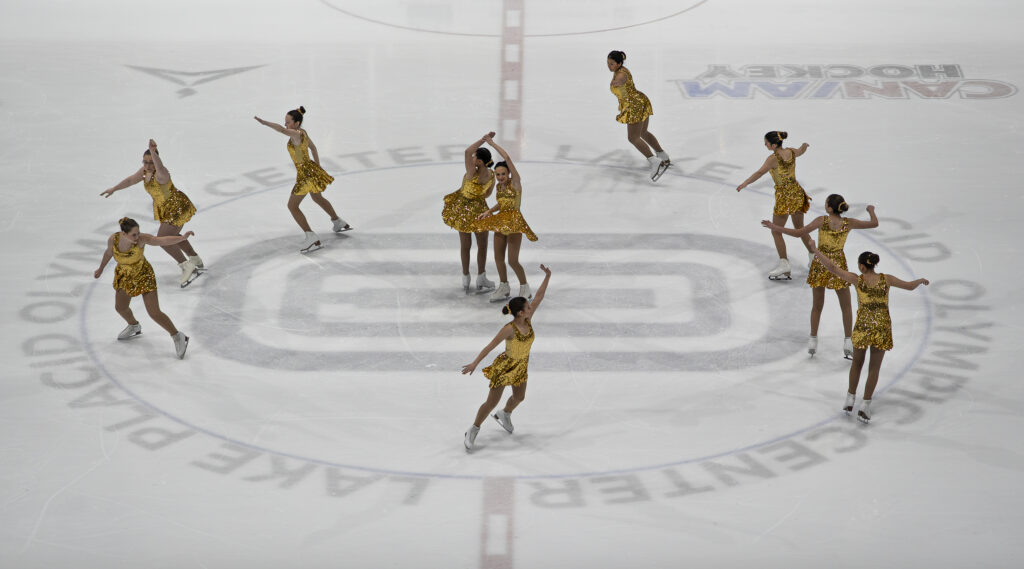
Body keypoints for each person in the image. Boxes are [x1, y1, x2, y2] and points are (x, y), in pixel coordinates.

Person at [808, 242, 929, 423]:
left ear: (862, 267)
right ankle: (865, 405)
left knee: (857, 364)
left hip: (863, 327)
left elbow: (832, 267)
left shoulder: (858, 280)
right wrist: (920, 281)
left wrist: (815, 250)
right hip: (881, 327)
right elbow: (910, 286)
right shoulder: (887, 279)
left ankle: (850, 399)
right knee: (874, 368)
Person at [762, 195, 879, 358]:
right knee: (846, 306)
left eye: (826, 203)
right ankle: (848, 341)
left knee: (817, 305)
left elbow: (798, 233)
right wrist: (871, 210)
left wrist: (774, 226)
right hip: (838, 265)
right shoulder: (849, 223)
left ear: (829, 208)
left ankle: (813, 340)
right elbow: (874, 223)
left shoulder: (821, 221)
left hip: (820, 264)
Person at [461, 264, 552, 451]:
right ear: (520, 313)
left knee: (519, 397)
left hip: (521, 365)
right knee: (491, 402)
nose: (531, 307)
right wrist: (475, 363)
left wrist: (547, 276)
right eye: (528, 307)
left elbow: (539, 297)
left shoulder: (528, 319)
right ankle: (473, 429)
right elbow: (490, 346)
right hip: (505, 367)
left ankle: (505, 414)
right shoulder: (509, 329)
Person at [101, 139, 203, 287]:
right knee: (172, 235)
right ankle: (195, 259)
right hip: (165, 209)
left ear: (156, 161)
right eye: (145, 162)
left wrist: (154, 153)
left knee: (162, 239)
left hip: (176, 208)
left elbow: (159, 166)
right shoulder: (144, 172)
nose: (148, 165)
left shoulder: (162, 174)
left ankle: (186, 265)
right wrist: (114, 189)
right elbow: (130, 180)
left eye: (151, 162)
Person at [254, 106, 350, 253]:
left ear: (296, 123)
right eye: (285, 121)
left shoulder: (295, 135)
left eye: (288, 122)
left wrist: (264, 123)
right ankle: (337, 221)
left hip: (305, 175)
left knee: (292, 206)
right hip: (311, 170)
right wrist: (317, 167)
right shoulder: (303, 133)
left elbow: (281, 130)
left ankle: (311, 237)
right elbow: (314, 148)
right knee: (317, 198)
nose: (286, 124)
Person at [94, 217, 193, 359]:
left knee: (154, 312)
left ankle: (178, 336)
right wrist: (101, 269)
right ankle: (134, 326)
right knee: (120, 308)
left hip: (143, 275)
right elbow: (109, 253)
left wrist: (182, 238)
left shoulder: (141, 239)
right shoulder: (113, 239)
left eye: (138, 233)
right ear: (123, 234)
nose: (137, 237)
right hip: (124, 276)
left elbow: (161, 240)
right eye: (133, 234)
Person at [737, 131, 813, 280]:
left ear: (773, 145)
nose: (765, 145)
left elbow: (760, 173)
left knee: (776, 231)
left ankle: (784, 264)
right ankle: (813, 257)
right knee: (800, 228)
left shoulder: (773, 159)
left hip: (784, 196)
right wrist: (804, 145)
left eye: (766, 143)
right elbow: (801, 151)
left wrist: (745, 183)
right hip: (797, 193)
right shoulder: (791, 151)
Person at [472, 135, 538, 302]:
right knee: (498, 258)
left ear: (509, 173)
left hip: (514, 223)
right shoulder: (498, 186)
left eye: (503, 174)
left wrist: (492, 144)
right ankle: (504, 287)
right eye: (498, 174)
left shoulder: (515, 183)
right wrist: (489, 211)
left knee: (513, 261)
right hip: (501, 222)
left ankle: (525, 287)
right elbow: (501, 204)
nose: (500, 177)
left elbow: (507, 158)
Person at [442, 133, 498, 293]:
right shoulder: (491, 175)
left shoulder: (471, 172)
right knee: (483, 245)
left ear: (479, 161)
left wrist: (483, 139)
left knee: (465, 246)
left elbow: (467, 151)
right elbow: (487, 195)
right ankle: (481, 276)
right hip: (480, 211)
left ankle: (465, 277)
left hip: (464, 211)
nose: (472, 157)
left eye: (475, 157)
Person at [607, 50, 670, 181]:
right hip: (640, 100)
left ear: (619, 63)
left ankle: (654, 161)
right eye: (608, 63)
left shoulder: (621, 74)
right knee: (643, 132)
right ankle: (662, 155)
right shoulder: (620, 70)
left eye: (611, 63)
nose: (609, 66)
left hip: (634, 106)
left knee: (633, 137)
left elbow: (621, 80)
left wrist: (617, 82)